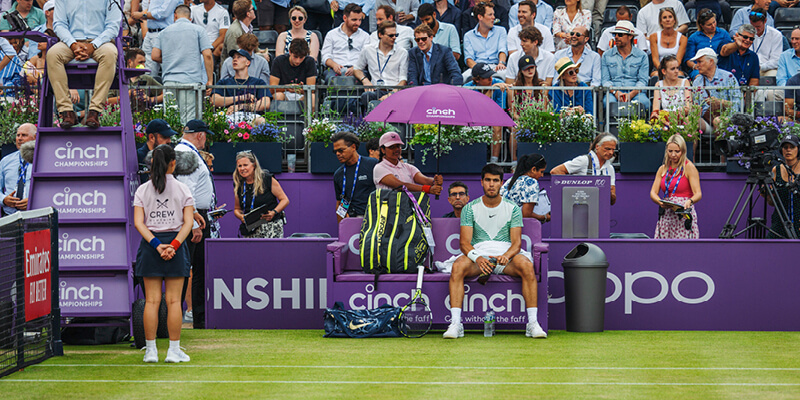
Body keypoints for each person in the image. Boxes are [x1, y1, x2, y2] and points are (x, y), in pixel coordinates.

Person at [443, 163, 546, 339]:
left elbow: (516, 243)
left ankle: (532, 324)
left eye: (496, 181)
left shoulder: (513, 208)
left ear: (501, 183)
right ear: (482, 182)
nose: (491, 184)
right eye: (488, 180)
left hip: (506, 259)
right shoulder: (469, 208)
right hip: (479, 258)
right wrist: (478, 258)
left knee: (527, 266)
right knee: (458, 267)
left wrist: (506, 256)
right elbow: (465, 244)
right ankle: (455, 324)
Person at [133, 144, 194, 363]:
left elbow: (139, 223)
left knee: (151, 301)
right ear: (173, 163)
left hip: (152, 247)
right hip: (174, 245)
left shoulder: (142, 190)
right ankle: (173, 351)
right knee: (174, 302)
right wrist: (174, 245)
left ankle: (151, 351)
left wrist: (157, 244)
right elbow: (188, 223)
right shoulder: (183, 188)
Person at [48, 0, 121, 129]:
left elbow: (113, 27)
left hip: (101, 42)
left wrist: (94, 45)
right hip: (71, 42)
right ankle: (66, 112)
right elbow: (59, 24)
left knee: (110, 53)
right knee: (53, 54)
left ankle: (94, 111)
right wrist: (73, 44)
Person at [174, 119, 215, 329]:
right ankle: (180, 316)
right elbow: (184, 190)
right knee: (189, 268)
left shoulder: (185, 151)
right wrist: (193, 224)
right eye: (205, 135)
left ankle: (198, 317)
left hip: (195, 214)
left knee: (196, 267)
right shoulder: (187, 153)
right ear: (200, 135)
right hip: (192, 216)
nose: (205, 139)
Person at [152, 4, 214, 126]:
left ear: (175, 16)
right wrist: (210, 80)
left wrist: (171, 59)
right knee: (189, 121)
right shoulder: (198, 30)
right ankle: (187, 144)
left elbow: (154, 56)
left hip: (169, 82)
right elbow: (207, 55)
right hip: (190, 81)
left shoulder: (163, 32)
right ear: (190, 18)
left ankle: (172, 144)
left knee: (171, 120)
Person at [649, 134, 702, 239]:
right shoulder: (662, 169)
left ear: (683, 151)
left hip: (683, 213)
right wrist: (659, 201)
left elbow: (698, 193)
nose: (673, 155)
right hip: (667, 213)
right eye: (670, 151)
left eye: (677, 152)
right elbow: (653, 192)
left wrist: (690, 201)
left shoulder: (689, 167)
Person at [233, 151, 290, 238]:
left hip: (271, 226)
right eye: (239, 166)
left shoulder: (267, 178)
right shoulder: (238, 184)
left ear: (254, 165)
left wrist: (274, 212)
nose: (242, 168)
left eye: (245, 165)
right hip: (251, 228)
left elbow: (285, 200)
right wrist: (241, 216)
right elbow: (237, 209)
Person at [354, 20, 408, 110]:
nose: (394, 38)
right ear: (380, 35)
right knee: (366, 96)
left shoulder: (402, 52)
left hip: (395, 90)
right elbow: (357, 68)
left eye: (396, 35)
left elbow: (403, 79)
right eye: (391, 35)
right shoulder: (368, 49)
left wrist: (391, 94)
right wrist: (365, 80)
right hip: (376, 90)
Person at [551, 132, 618, 205]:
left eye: (613, 149)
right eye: (607, 149)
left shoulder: (610, 168)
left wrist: (611, 195)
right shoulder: (584, 160)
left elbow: (612, 198)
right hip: (577, 208)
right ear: (597, 146)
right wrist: (574, 191)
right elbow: (556, 171)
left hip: (599, 209)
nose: (611, 152)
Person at [601, 21, 651, 111]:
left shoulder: (642, 56)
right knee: (607, 103)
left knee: (645, 103)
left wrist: (631, 94)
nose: (616, 37)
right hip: (613, 92)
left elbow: (643, 80)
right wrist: (616, 92)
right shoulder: (606, 55)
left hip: (636, 92)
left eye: (620, 35)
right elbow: (605, 80)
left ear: (630, 36)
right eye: (615, 35)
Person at [373, 131, 442, 195]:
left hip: (408, 207)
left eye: (398, 146)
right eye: (392, 147)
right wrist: (428, 189)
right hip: (389, 207)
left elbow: (424, 180)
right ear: (383, 150)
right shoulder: (379, 168)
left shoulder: (408, 167)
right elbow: (400, 185)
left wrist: (434, 181)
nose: (396, 149)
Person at [212, 49, 271, 124]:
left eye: (239, 57)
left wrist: (240, 106)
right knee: (214, 119)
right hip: (228, 114)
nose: (235, 60)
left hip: (250, 115)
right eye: (234, 58)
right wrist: (242, 97)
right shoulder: (224, 82)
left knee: (261, 121)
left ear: (248, 62)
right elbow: (214, 100)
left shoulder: (258, 82)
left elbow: (265, 104)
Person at [466, 62, 509, 163]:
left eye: (490, 75)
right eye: (486, 77)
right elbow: (477, 111)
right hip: (474, 119)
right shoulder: (468, 88)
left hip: (493, 117)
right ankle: (475, 161)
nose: (490, 79)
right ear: (477, 80)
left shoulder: (498, 84)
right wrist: (490, 91)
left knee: (497, 126)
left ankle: (494, 161)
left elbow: (500, 112)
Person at [691, 48, 742, 131]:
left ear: (711, 62)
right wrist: (696, 110)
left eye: (700, 62)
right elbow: (696, 105)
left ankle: (720, 144)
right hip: (706, 119)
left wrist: (721, 103)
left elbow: (737, 105)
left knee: (718, 121)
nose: (697, 65)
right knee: (692, 121)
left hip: (727, 119)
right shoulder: (697, 81)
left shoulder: (728, 77)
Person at [332, 132, 378, 222]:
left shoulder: (372, 164)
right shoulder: (339, 174)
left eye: (341, 150)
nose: (337, 154)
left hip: (374, 219)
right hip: (352, 220)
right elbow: (341, 202)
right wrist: (343, 223)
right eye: (335, 151)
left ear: (353, 147)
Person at [133, 0, 183, 77]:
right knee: (147, 69)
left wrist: (142, 15)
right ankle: (148, 88)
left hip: (165, 32)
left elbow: (163, 13)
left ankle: (170, 88)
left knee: (167, 66)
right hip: (150, 33)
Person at [321, 3, 370, 81]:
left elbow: (367, 58)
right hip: (335, 69)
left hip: (358, 69)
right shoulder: (331, 34)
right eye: (354, 20)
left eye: (360, 20)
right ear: (345, 18)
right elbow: (325, 56)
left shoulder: (365, 36)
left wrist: (355, 68)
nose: (357, 23)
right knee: (332, 80)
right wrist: (334, 65)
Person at [764, 134, 800, 238]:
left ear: (798, 149)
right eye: (785, 147)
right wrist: (767, 195)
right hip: (780, 223)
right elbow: (772, 203)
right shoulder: (776, 169)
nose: (788, 150)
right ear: (781, 150)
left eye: (792, 147)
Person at [462, 1, 508, 81]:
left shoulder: (501, 31)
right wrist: (481, 70)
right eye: (490, 15)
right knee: (463, 77)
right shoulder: (468, 36)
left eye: (493, 14)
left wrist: (501, 63)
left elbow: (502, 50)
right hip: (477, 67)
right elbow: (469, 59)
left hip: (496, 66)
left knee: (505, 74)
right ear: (480, 17)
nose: (494, 17)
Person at [501, 153, 550, 223]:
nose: (542, 175)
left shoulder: (511, 180)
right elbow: (526, 214)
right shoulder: (532, 182)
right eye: (541, 171)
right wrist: (544, 217)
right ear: (533, 169)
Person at [684, 9, 732, 78]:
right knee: (699, 77)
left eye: (714, 22)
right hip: (700, 68)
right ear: (702, 26)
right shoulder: (694, 38)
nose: (713, 26)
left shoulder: (723, 34)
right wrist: (695, 66)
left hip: (721, 67)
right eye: (709, 24)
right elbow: (688, 59)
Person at [0, 123, 36, 216]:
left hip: (35, 215)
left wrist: (34, 201)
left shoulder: (42, 160)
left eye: (24, 135)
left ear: (35, 137)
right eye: (18, 135)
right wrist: (3, 199)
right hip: (9, 217)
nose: (19, 138)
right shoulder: (6, 161)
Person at [270, 38, 317, 103]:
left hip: (302, 94)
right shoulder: (278, 61)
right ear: (290, 52)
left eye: (301, 57)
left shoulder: (310, 61)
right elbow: (272, 87)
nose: (298, 61)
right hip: (284, 93)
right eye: (295, 57)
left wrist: (301, 89)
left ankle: (308, 113)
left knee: (312, 97)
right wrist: (287, 87)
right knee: (277, 96)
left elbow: (311, 89)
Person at [651, 55, 694, 121]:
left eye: (677, 68)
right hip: (665, 119)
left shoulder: (685, 82)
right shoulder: (658, 84)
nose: (676, 71)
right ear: (664, 71)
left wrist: (678, 113)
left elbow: (689, 107)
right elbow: (655, 110)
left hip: (682, 118)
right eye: (673, 69)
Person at [649, 7, 687, 76]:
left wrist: (671, 70)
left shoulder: (683, 38)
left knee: (680, 75)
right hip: (659, 68)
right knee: (655, 75)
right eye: (664, 17)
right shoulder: (654, 37)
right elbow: (655, 59)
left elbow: (678, 60)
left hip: (676, 68)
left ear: (674, 20)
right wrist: (663, 71)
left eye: (670, 17)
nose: (667, 20)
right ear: (660, 21)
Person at [748, 7, 782, 77]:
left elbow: (776, 61)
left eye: (758, 26)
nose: (755, 29)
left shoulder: (776, 35)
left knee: (773, 75)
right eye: (752, 26)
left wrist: (760, 67)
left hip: (767, 70)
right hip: (748, 68)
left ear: (765, 21)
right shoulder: (745, 33)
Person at [221, 0, 257, 64]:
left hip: (246, 64)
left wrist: (261, 52)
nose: (254, 11)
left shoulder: (249, 26)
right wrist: (260, 56)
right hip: (233, 70)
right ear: (248, 14)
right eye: (252, 9)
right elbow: (235, 57)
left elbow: (252, 48)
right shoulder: (234, 32)